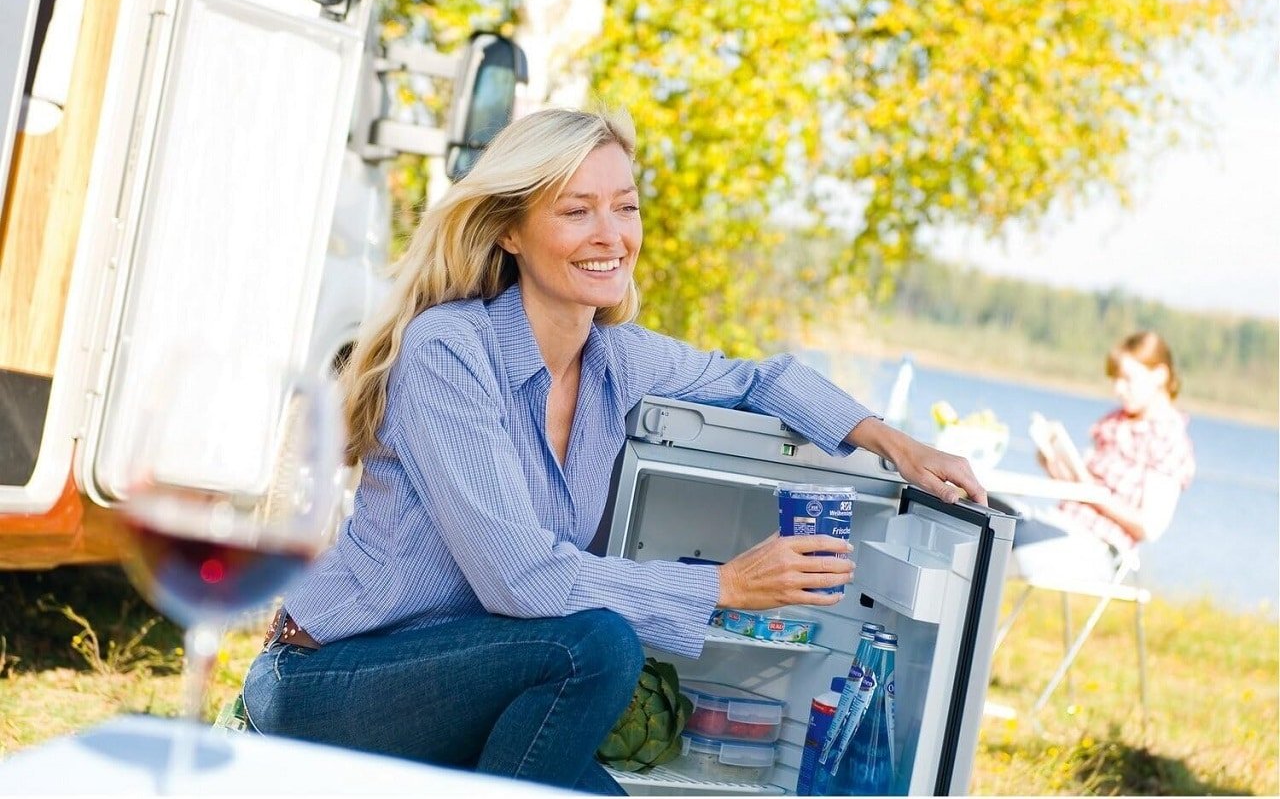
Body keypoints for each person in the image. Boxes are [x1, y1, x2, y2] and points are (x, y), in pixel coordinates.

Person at [239, 107, 986, 794]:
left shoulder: (615, 360)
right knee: (595, 646)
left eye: (625, 207)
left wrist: (891, 441)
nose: (611, 235)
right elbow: (522, 583)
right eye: (576, 211)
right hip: (329, 681)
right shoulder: (450, 351)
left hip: (472, 686)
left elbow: (756, 379)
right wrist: (724, 586)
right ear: (509, 230)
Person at [1007, 331, 1196, 580]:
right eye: (1115, 379)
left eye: (1127, 379)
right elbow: (1081, 489)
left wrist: (1094, 493)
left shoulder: (1167, 439)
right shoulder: (1115, 423)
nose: (1118, 389)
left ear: (1159, 375)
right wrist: (1054, 464)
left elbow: (1149, 526)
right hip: (1060, 524)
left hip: (1098, 548)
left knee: (999, 535)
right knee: (987, 514)